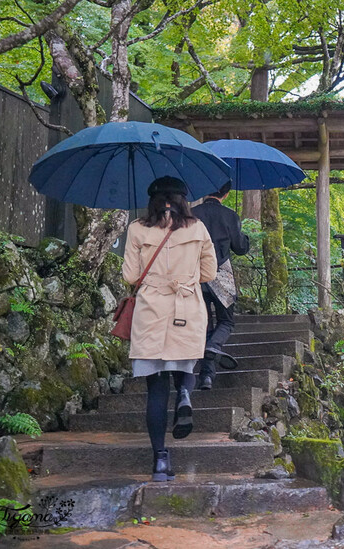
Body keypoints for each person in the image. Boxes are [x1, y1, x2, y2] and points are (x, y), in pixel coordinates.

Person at [122, 176, 217, 481]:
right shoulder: (198, 228)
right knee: (185, 359)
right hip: (186, 306)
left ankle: (160, 461)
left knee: (156, 387)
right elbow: (209, 272)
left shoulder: (137, 228)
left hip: (151, 310)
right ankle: (186, 396)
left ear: (153, 199)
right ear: (182, 199)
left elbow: (130, 276)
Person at [192, 182, 251, 390]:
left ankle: (206, 376)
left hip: (195, 276)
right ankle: (213, 347)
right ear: (226, 194)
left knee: (205, 324)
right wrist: (243, 235)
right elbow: (241, 248)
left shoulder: (191, 215)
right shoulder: (230, 216)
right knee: (226, 322)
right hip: (221, 276)